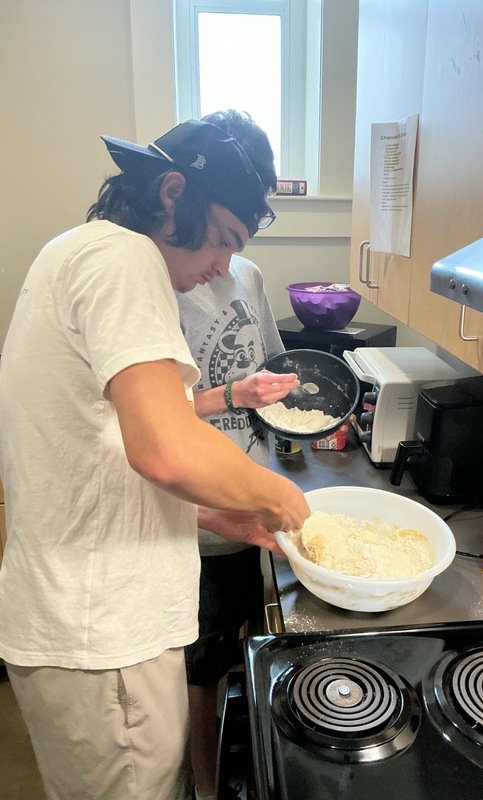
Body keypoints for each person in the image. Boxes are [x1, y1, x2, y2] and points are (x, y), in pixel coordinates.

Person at [0, 119, 310, 800]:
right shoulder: (123, 260)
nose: (226, 265)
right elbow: (165, 448)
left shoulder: (78, 251)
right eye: (225, 237)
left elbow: (100, 445)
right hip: (103, 634)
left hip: (87, 622)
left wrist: (215, 514)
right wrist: (282, 497)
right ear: (173, 192)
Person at [176, 110, 285, 800]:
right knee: (197, 672)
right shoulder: (164, 279)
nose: (223, 257)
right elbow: (151, 419)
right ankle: (205, 785)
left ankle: (236, 768)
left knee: (249, 651)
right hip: (194, 521)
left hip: (251, 502)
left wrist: (296, 412)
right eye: (221, 235)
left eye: (236, 238)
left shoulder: (245, 273)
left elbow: (268, 368)